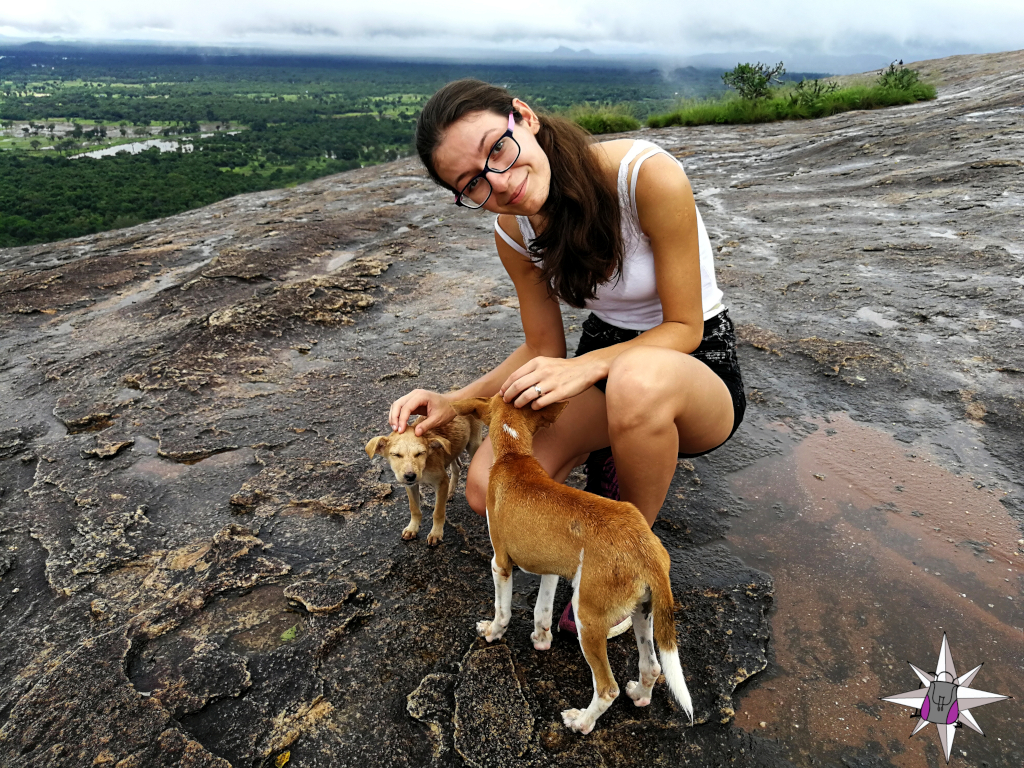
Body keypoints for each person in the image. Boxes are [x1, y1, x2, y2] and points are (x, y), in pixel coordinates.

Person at [388, 79, 746, 632]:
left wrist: (586, 367)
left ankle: (621, 563)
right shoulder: (513, 229)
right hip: (602, 360)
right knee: (487, 489)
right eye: (473, 184)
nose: (500, 183)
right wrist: (453, 402)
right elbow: (541, 348)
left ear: (524, 118)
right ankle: (614, 454)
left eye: (497, 151)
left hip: (690, 365)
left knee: (637, 383)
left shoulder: (642, 176)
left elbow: (684, 325)